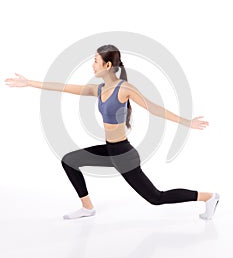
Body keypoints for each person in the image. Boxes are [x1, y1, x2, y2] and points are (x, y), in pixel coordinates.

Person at [4, 44, 220, 221]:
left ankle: (208, 196)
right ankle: (87, 207)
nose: (92, 65)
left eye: (95, 61)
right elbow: (63, 87)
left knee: (156, 198)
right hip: (110, 151)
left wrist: (187, 122)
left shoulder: (125, 88)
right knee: (69, 161)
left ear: (107, 65)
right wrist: (30, 83)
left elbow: (155, 108)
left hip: (124, 155)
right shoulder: (97, 89)